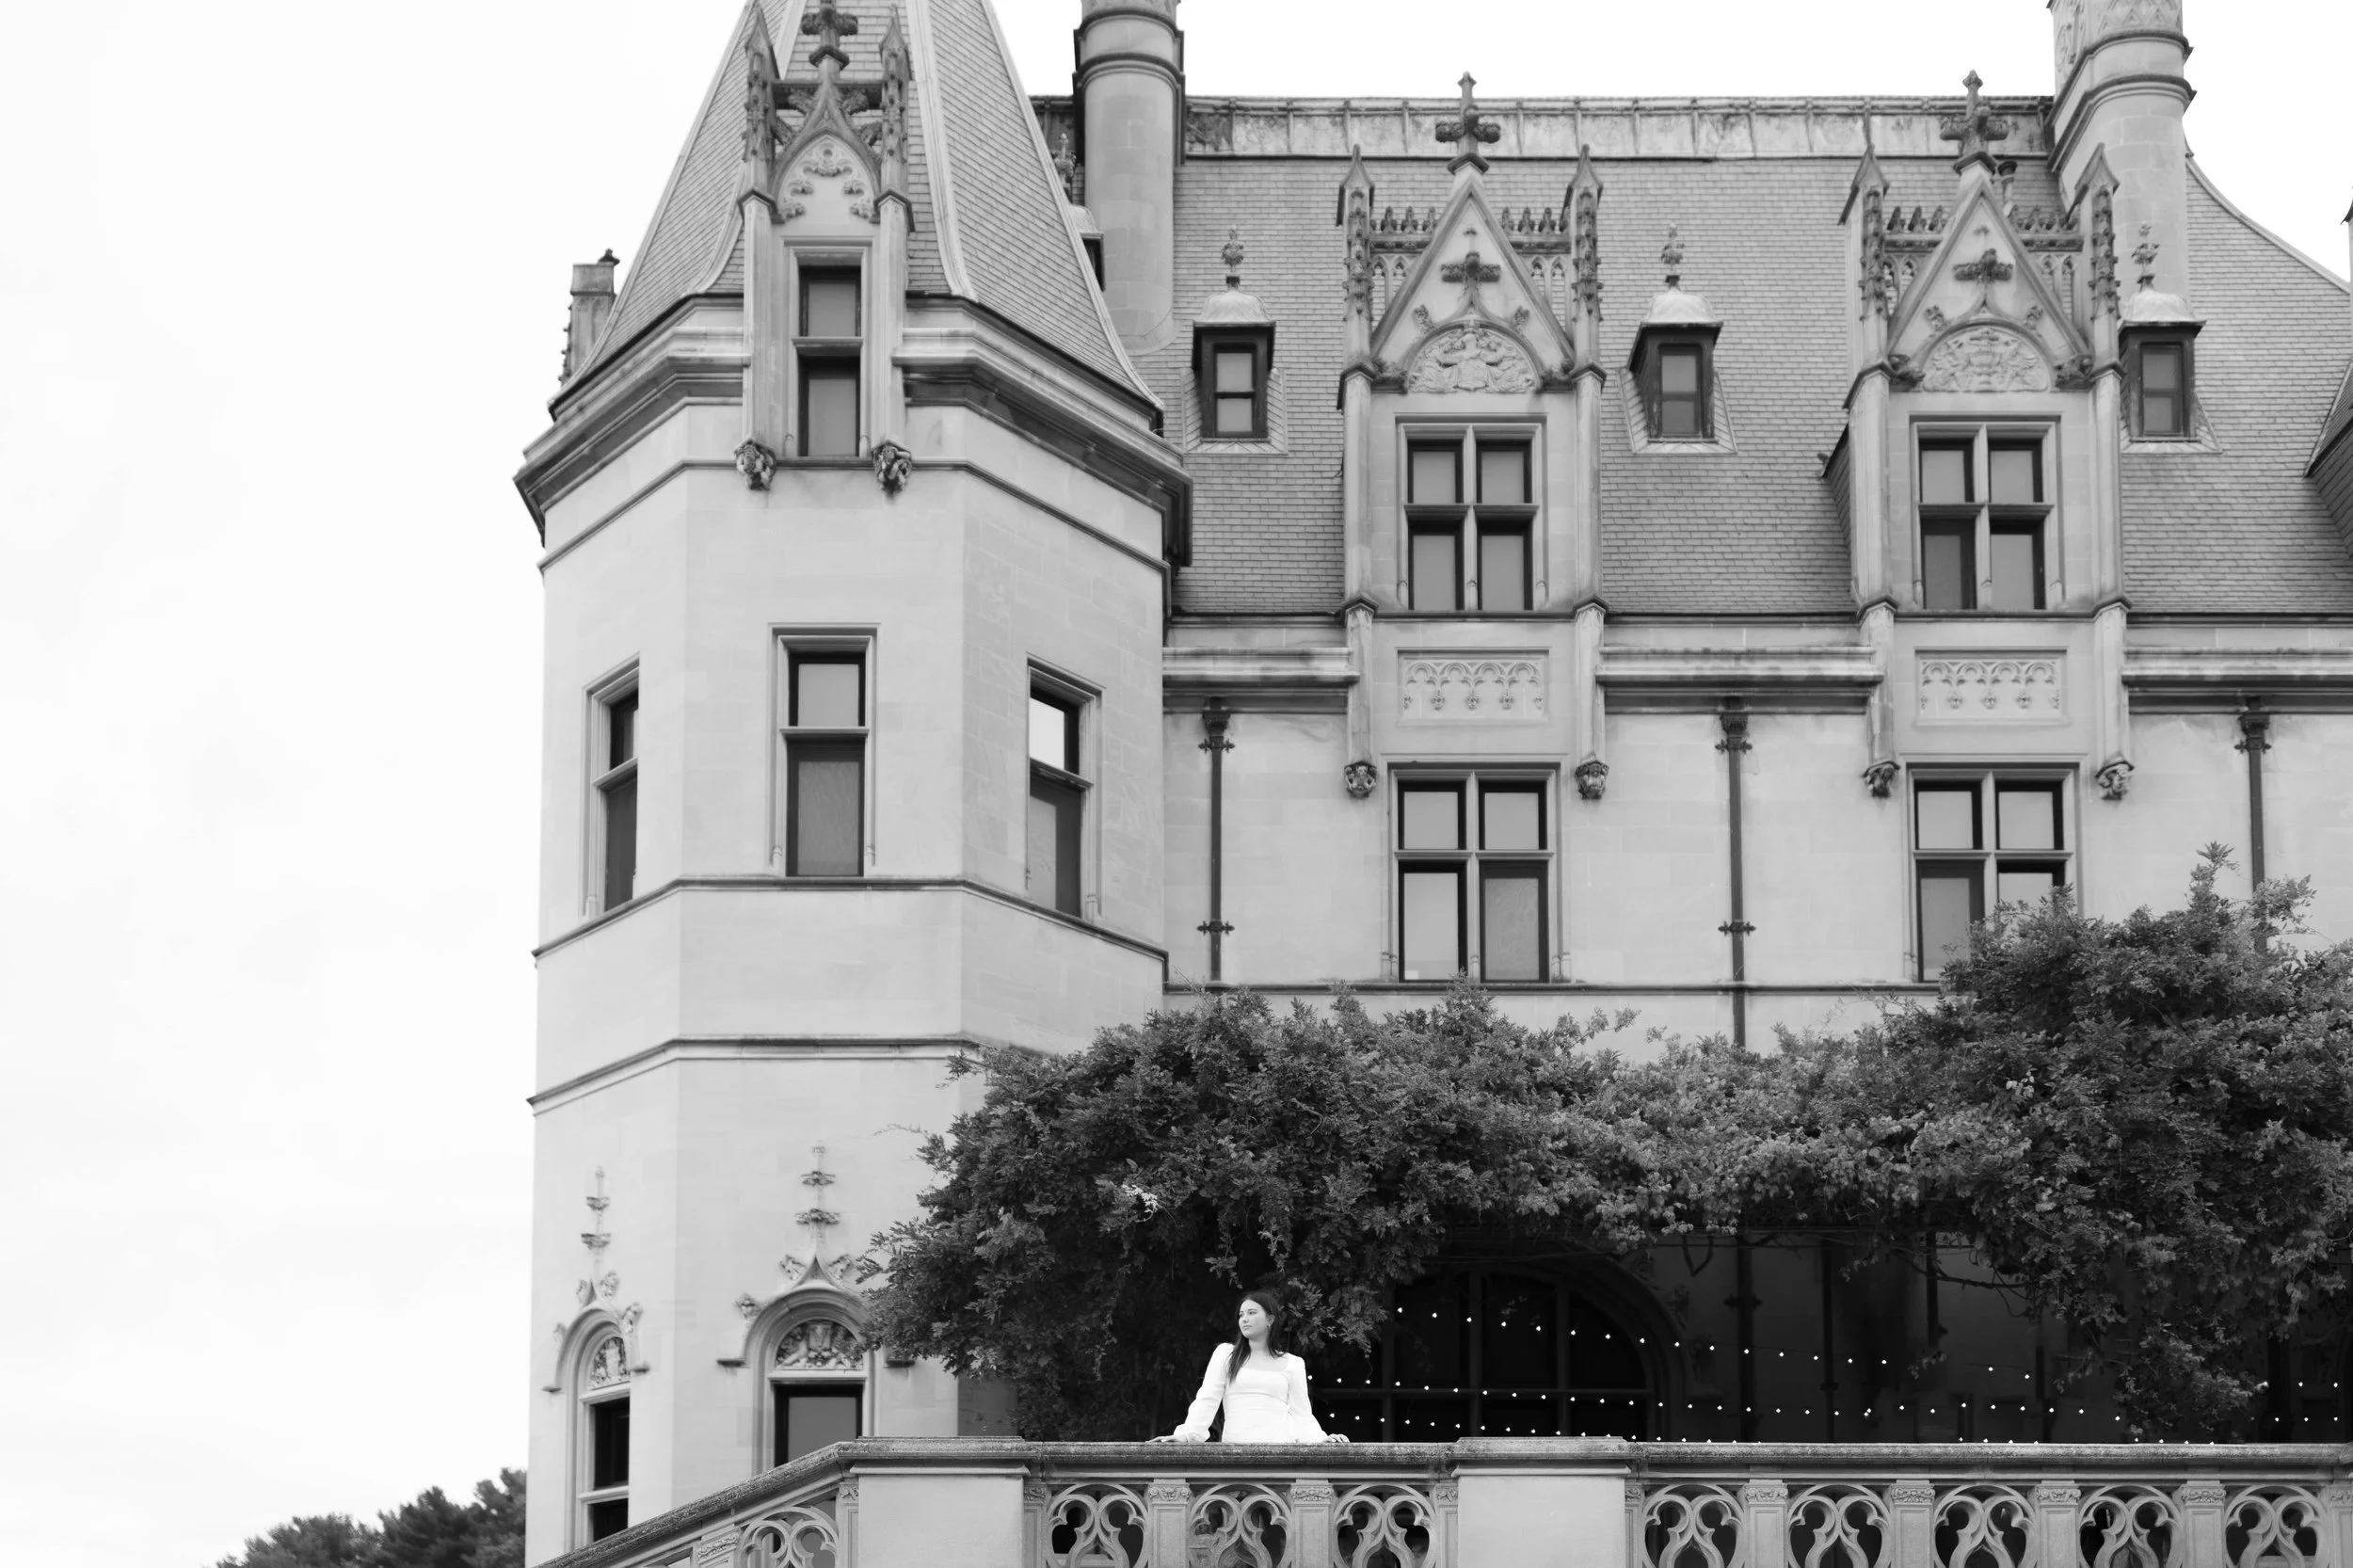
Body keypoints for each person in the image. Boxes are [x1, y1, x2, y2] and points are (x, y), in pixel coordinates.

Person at [1153, 1288, 1350, 1444]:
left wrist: (1320, 1439)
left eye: (1252, 1313)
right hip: (1236, 1453)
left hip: (1280, 1453)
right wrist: (1187, 1435)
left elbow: (1301, 1414)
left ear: (1270, 1320)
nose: (1244, 1319)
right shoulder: (1226, 1354)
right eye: (1241, 1315)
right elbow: (1207, 1399)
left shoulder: (1294, 1364)